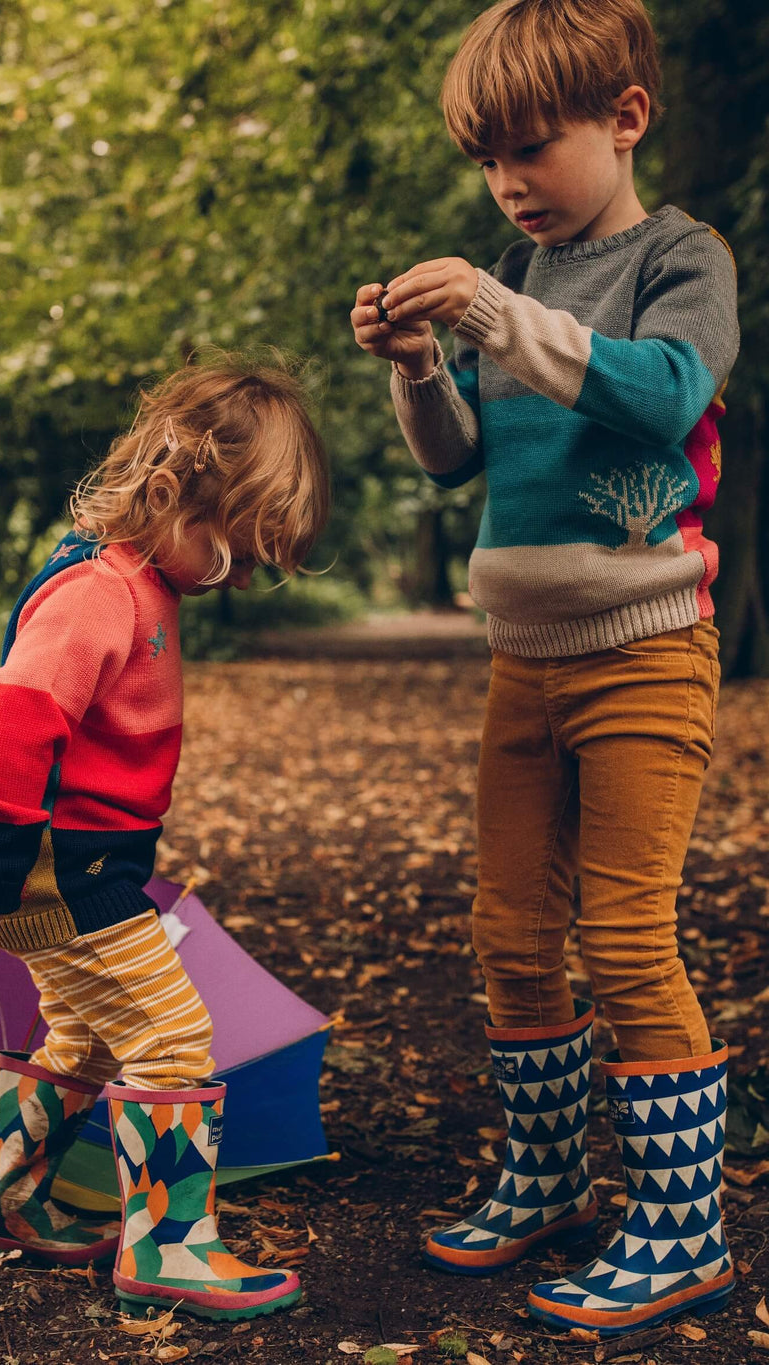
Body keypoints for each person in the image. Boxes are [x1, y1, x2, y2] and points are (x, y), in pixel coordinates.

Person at [350, 0, 738, 1340]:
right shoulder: (516, 276)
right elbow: (458, 457)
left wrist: (497, 311)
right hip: (523, 664)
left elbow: (668, 395)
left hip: (646, 653)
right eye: (488, 158)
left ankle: (682, 1227)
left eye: (533, 144)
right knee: (513, 931)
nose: (511, 180)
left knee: (625, 931)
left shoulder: (681, 259)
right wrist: (417, 367)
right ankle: (550, 1175)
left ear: (626, 117)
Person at [0, 354, 330, 1321]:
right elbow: (16, 731)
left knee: (89, 1033)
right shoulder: (99, 591)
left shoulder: (147, 586)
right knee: (174, 1033)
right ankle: (171, 1248)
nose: (235, 575)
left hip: (78, 869)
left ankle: (5, 1201)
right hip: (65, 875)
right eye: (229, 548)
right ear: (169, 493)